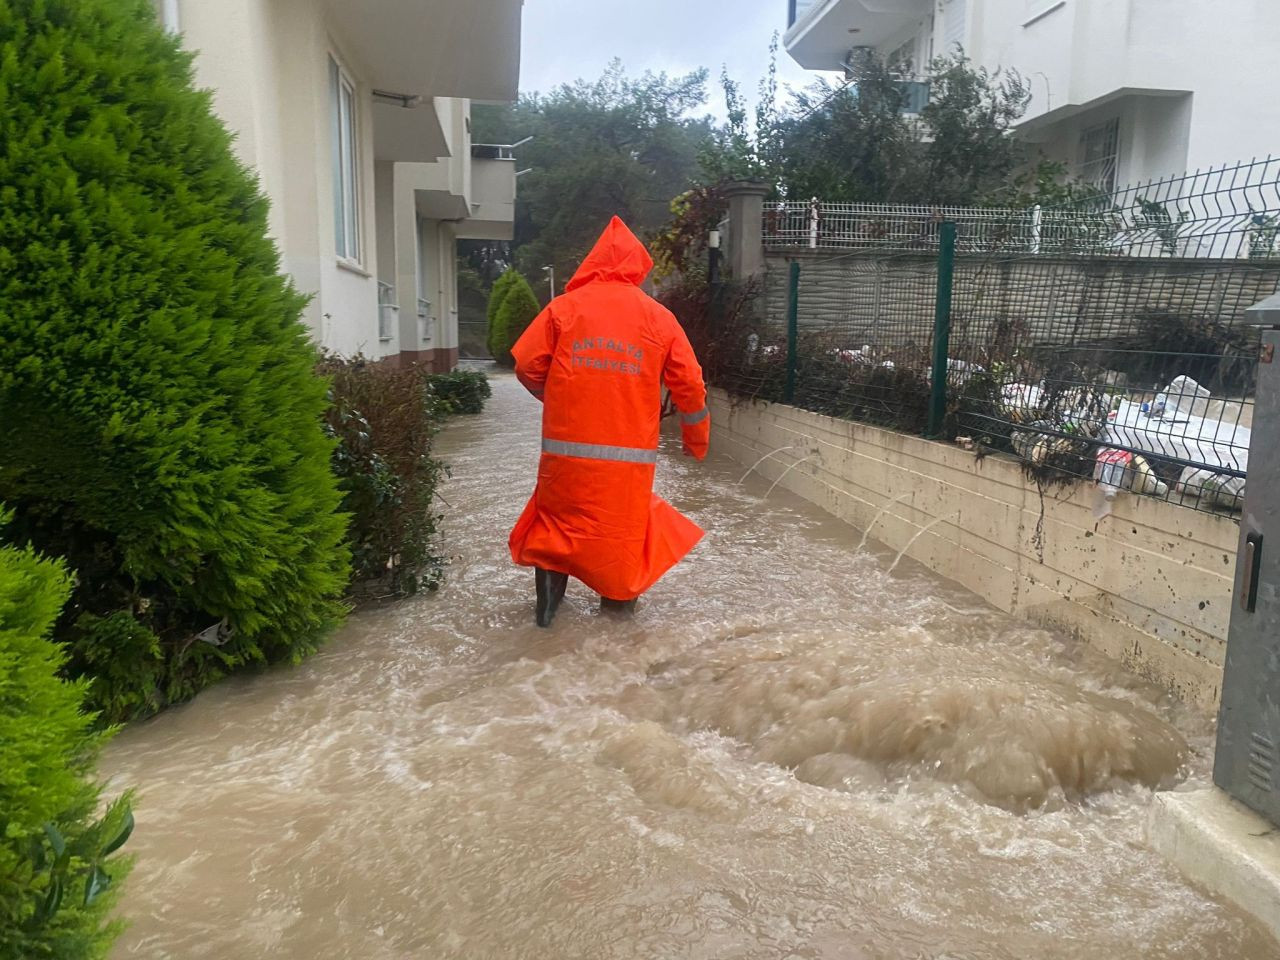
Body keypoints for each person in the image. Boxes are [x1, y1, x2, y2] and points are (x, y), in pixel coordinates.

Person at [508, 216, 710, 627]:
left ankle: (545, 620)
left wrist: (557, 397)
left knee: (554, 530)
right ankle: (615, 638)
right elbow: (689, 383)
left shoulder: (562, 310)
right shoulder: (658, 318)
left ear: (592, 262)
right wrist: (696, 439)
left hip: (565, 458)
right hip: (628, 465)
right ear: (638, 267)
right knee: (621, 538)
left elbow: (527, 365)